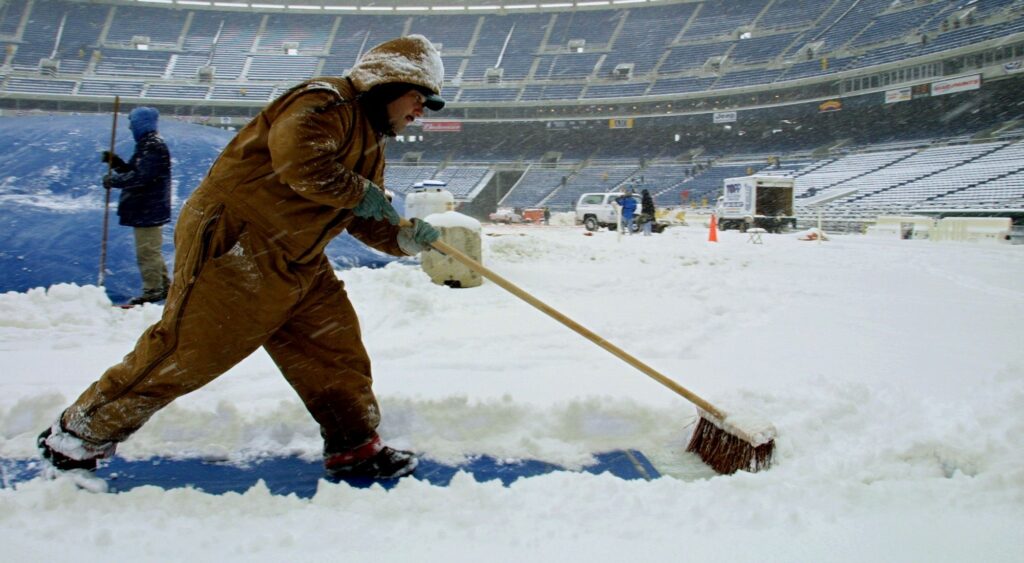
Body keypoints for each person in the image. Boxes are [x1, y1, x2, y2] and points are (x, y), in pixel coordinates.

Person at [38, 35, 446, 480]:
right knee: (191, 349)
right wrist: (360, 192)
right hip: (240, 243)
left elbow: (361, 211)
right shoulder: (325, 102)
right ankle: (80, 433)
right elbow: (300, 162)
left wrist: (401, 238)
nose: (420, 112)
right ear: (389, 84)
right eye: (419, 98)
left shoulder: (371, 140)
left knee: (333, 350)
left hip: (299, 256)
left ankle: (354, 445)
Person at [101, 106, 172, 305]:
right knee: (151, 250)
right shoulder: (147, 145)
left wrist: (114, 181)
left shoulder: (153, 146)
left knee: (147, 252)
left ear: (142, 124)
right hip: (147, 208)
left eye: (133, 124)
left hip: (148, 209)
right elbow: (135, 170)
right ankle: (164, 286)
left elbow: (141, 177)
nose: (130, 128)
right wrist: (116, 163)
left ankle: (153, 290)